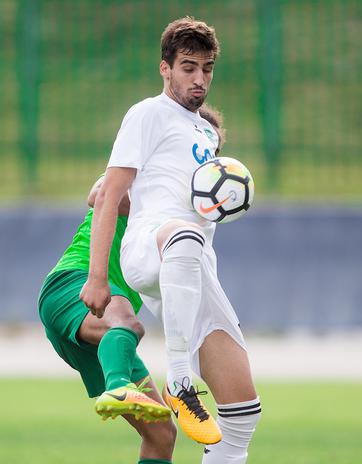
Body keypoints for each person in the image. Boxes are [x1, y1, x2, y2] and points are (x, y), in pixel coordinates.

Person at [81, 17, 261, 464]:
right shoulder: (147, 113)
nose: (199, 79)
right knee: (182, 237)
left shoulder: (205, 132)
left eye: (207, 68)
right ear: (165, 68)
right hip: (150, 246)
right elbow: (105, 196)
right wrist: (99, 277)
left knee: (242, 415)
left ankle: (198, 400)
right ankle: (179, 380)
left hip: (194, 267)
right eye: (187, 67)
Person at [38, 104, 226, 464]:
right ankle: (118, 387)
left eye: (211, 153)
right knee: (128, 322)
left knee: (162, 434)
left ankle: (118, 382)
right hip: (73, 286)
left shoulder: (189, 216)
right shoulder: (142, 177)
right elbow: (99, 194)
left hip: (109, 339)